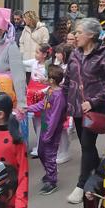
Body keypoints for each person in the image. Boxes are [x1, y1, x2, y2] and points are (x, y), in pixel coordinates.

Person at [64, 18, 105, 204]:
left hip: (94, 109)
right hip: (76, 107)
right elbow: (68, 79)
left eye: (79, 32)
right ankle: (102, 175)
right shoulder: (75, 53)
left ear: (91, 35)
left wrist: (94, 102)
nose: (75, 35)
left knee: (87, 144)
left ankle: (82, 185)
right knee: (86, 146)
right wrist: (63, 102)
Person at [25, 65, 67, 195]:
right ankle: (49, 173)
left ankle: (52, 180)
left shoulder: (58, 95)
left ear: (53, 80)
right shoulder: (50, 91)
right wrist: (29, 108)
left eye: (47, 76)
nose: (45, 78)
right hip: (45, 126)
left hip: (51, 130)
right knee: (41, 152)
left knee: (49, 154)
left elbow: (55, 117)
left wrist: (48, 134)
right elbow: (43, 104)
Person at [0, 8, 27, 108]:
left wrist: (21, 102)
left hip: (3, 99)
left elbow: (19, 76)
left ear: (2, 31)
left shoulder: (11, 47)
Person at [23, 43, 52, 157]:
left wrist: (43, 90)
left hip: (42, 95)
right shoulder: (34, 62)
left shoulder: (48, 66)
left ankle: (42, 145)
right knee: (35, 120)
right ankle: (40, 143)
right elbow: (23, 63)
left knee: (42, 120)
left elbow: (51, 81)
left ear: (44, 54)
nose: (35, 54)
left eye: (37, 52)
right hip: (32, 95)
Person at [53, 44, 74, 164]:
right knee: (59, 127)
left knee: (63, 127)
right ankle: (62, 149)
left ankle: (65, 151)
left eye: (58, 53)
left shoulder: (69, 67)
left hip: (66, 99)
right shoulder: (59, 65)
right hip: (59, 98)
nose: (56, 55)